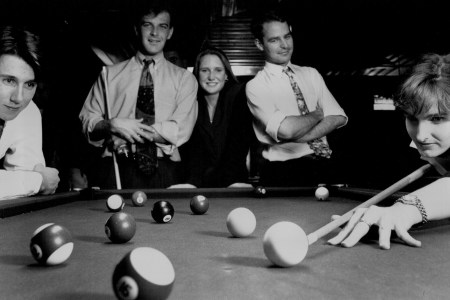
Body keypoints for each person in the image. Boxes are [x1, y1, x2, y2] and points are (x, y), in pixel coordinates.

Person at [328, 53, 450, 249]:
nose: (420, 135)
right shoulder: (432, 142)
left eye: (436, 119)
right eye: (412, 118)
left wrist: (404, 209)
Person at [79, 2, 198, 189]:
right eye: (147, 25)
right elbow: (87, 122)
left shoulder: (185, 79)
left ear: (170, 32)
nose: (155, 33)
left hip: (165, 169)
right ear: (136, 29)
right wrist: (111, 125)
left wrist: (128, 131)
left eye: (162, 26)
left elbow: (180, 130)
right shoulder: (108, 75)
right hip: (116, 166)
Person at [246, 10, 347, 187]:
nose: (284, 45)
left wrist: (302, 133)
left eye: (287, 36)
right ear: (259, 44)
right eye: (274, 40)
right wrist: (318, 114)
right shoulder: (256, 86)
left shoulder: (311, 74)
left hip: (326, 166)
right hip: (282, 173)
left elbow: (339, 117)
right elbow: (286, 130)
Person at [171, 47, 255, 188]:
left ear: (226, 75)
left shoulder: (239, 97)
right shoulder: (190, 101)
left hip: (233, 182)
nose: (211, 76)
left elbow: (237, 148)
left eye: (218, 70)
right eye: (205, 70)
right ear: (197, 74)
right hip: (197, 183)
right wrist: (190, 184)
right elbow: (193, 151)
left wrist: (233, 183)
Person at [0, 25, 59, 200]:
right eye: (9, 80)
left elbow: (28, 172)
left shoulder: (27, 111)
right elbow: (36, 180)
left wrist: (34, 179)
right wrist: (36, 181)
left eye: (29, 84)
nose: (19, 98)